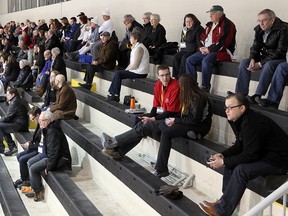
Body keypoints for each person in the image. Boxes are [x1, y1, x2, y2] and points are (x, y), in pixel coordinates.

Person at [199, 93, 288, 216]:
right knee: (231, 164)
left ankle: (222, 211)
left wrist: (223, 162)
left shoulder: (252, 123)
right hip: (263, 155)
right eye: (226, 107)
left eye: (230, 107)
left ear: (242, 108)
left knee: (241, 170)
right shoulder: (238, 119)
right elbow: (240, 145)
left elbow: (250, 154)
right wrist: (222, 155)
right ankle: (223, 202)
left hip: (279, 161)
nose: (227, 111)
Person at [100, 65, 181, 176]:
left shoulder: (175, 85)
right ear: (158, 76)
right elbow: (155, 107)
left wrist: (152, 118)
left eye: (167, 75)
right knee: (140, 122)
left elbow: (171, 112)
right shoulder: (158, 85)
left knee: (144, 126)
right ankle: (118, 151)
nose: (165, 78)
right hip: (161, 115)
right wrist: (148, 117)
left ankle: (114, 142)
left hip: (171, 119)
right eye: (162, 75)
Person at [153, 74, 212, 177]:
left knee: (167, 133)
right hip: (191, 124)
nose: (179, 86)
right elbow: (185, 115)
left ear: (187, 85)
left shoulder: (198, 97)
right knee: (163, 123)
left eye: (181, 84)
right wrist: (173, 120)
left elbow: (194, 119)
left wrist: (176, 120)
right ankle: (191, 134)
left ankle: (161, 169)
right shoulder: (189, 95)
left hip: (200, 126)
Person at [233, 9, 288, 103]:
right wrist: (252, 59)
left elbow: (280, 51)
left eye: (264, 20)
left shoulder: (283, 28)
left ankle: (258, 94)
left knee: (268, 64)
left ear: (272, 20)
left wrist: (260, 64)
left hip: (279, 59)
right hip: (265, 57)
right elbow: (255, 48)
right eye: (259, 20)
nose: (261, 23)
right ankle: (241, 94)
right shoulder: (259, 29)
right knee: (245, 62)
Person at [185, 5, 236, 92]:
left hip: (222, 52)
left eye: (212, 14)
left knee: (206, 61)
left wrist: (208, 49)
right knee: (189, 60)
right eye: (210, 14)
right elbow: (201, 38)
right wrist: (202, 48)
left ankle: (205, 87)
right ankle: (192, 85)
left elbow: (223, 43)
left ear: (219, 14)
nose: (210, 16)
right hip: (207, 50)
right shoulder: (210, 25)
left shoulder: (227, 24)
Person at [27, 110, 72, 202]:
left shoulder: (52, 131)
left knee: (33, 168)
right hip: (48, 155)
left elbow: (54, 153)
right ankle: (34, 186)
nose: (40, 123)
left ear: (49, 120)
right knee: (30, 162)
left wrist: (49, 167)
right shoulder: (47, 128)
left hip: (60, 159)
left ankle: (38, 192)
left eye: (42, 120)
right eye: (39, 120)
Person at [107, 30, 149, 102]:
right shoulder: (136, 47)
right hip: (136, 71)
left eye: (131, 38)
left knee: (118, 73)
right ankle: (113, 93)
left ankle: (115, 95)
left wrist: (125, 70)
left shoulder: (139, 48)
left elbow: (135, 65)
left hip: (140, 73)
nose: (129, 39)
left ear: (135, 39)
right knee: (118, 72)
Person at [14, 106, 41, 189]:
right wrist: (30, 143)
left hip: (39, 150)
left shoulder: (43, 125)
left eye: (33, 118)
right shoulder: (39, 123)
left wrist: (30, 145)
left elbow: (42, 144)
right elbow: (36, 139)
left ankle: (26, 179)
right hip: (35, 147)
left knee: (22, 159)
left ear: (38, 115)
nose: (32, 121)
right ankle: (24, 177)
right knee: (19, 156)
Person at [172, 14, 204, 78]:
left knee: (184, 58)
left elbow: (199, 42)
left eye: (190, 21)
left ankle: (182, 77)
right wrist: (181, 50)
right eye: (186, 21)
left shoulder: (198, 29)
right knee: (176, 57)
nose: (188, 23)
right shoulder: (184, 29)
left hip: (193, 50)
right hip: (185, 50)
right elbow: (182, 40)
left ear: (194, 21)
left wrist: (199, 50)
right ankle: (176, 77)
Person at [0, 88, 29, 156]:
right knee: (2, 127)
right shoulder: (16, 99)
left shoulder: (15, 102)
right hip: (20, 123)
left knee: (1, 126)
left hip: (19, 125)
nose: (6, 96)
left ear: (13, 94)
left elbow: (8, 117)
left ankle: (5, 147)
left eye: (8, 95)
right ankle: (12, 147)